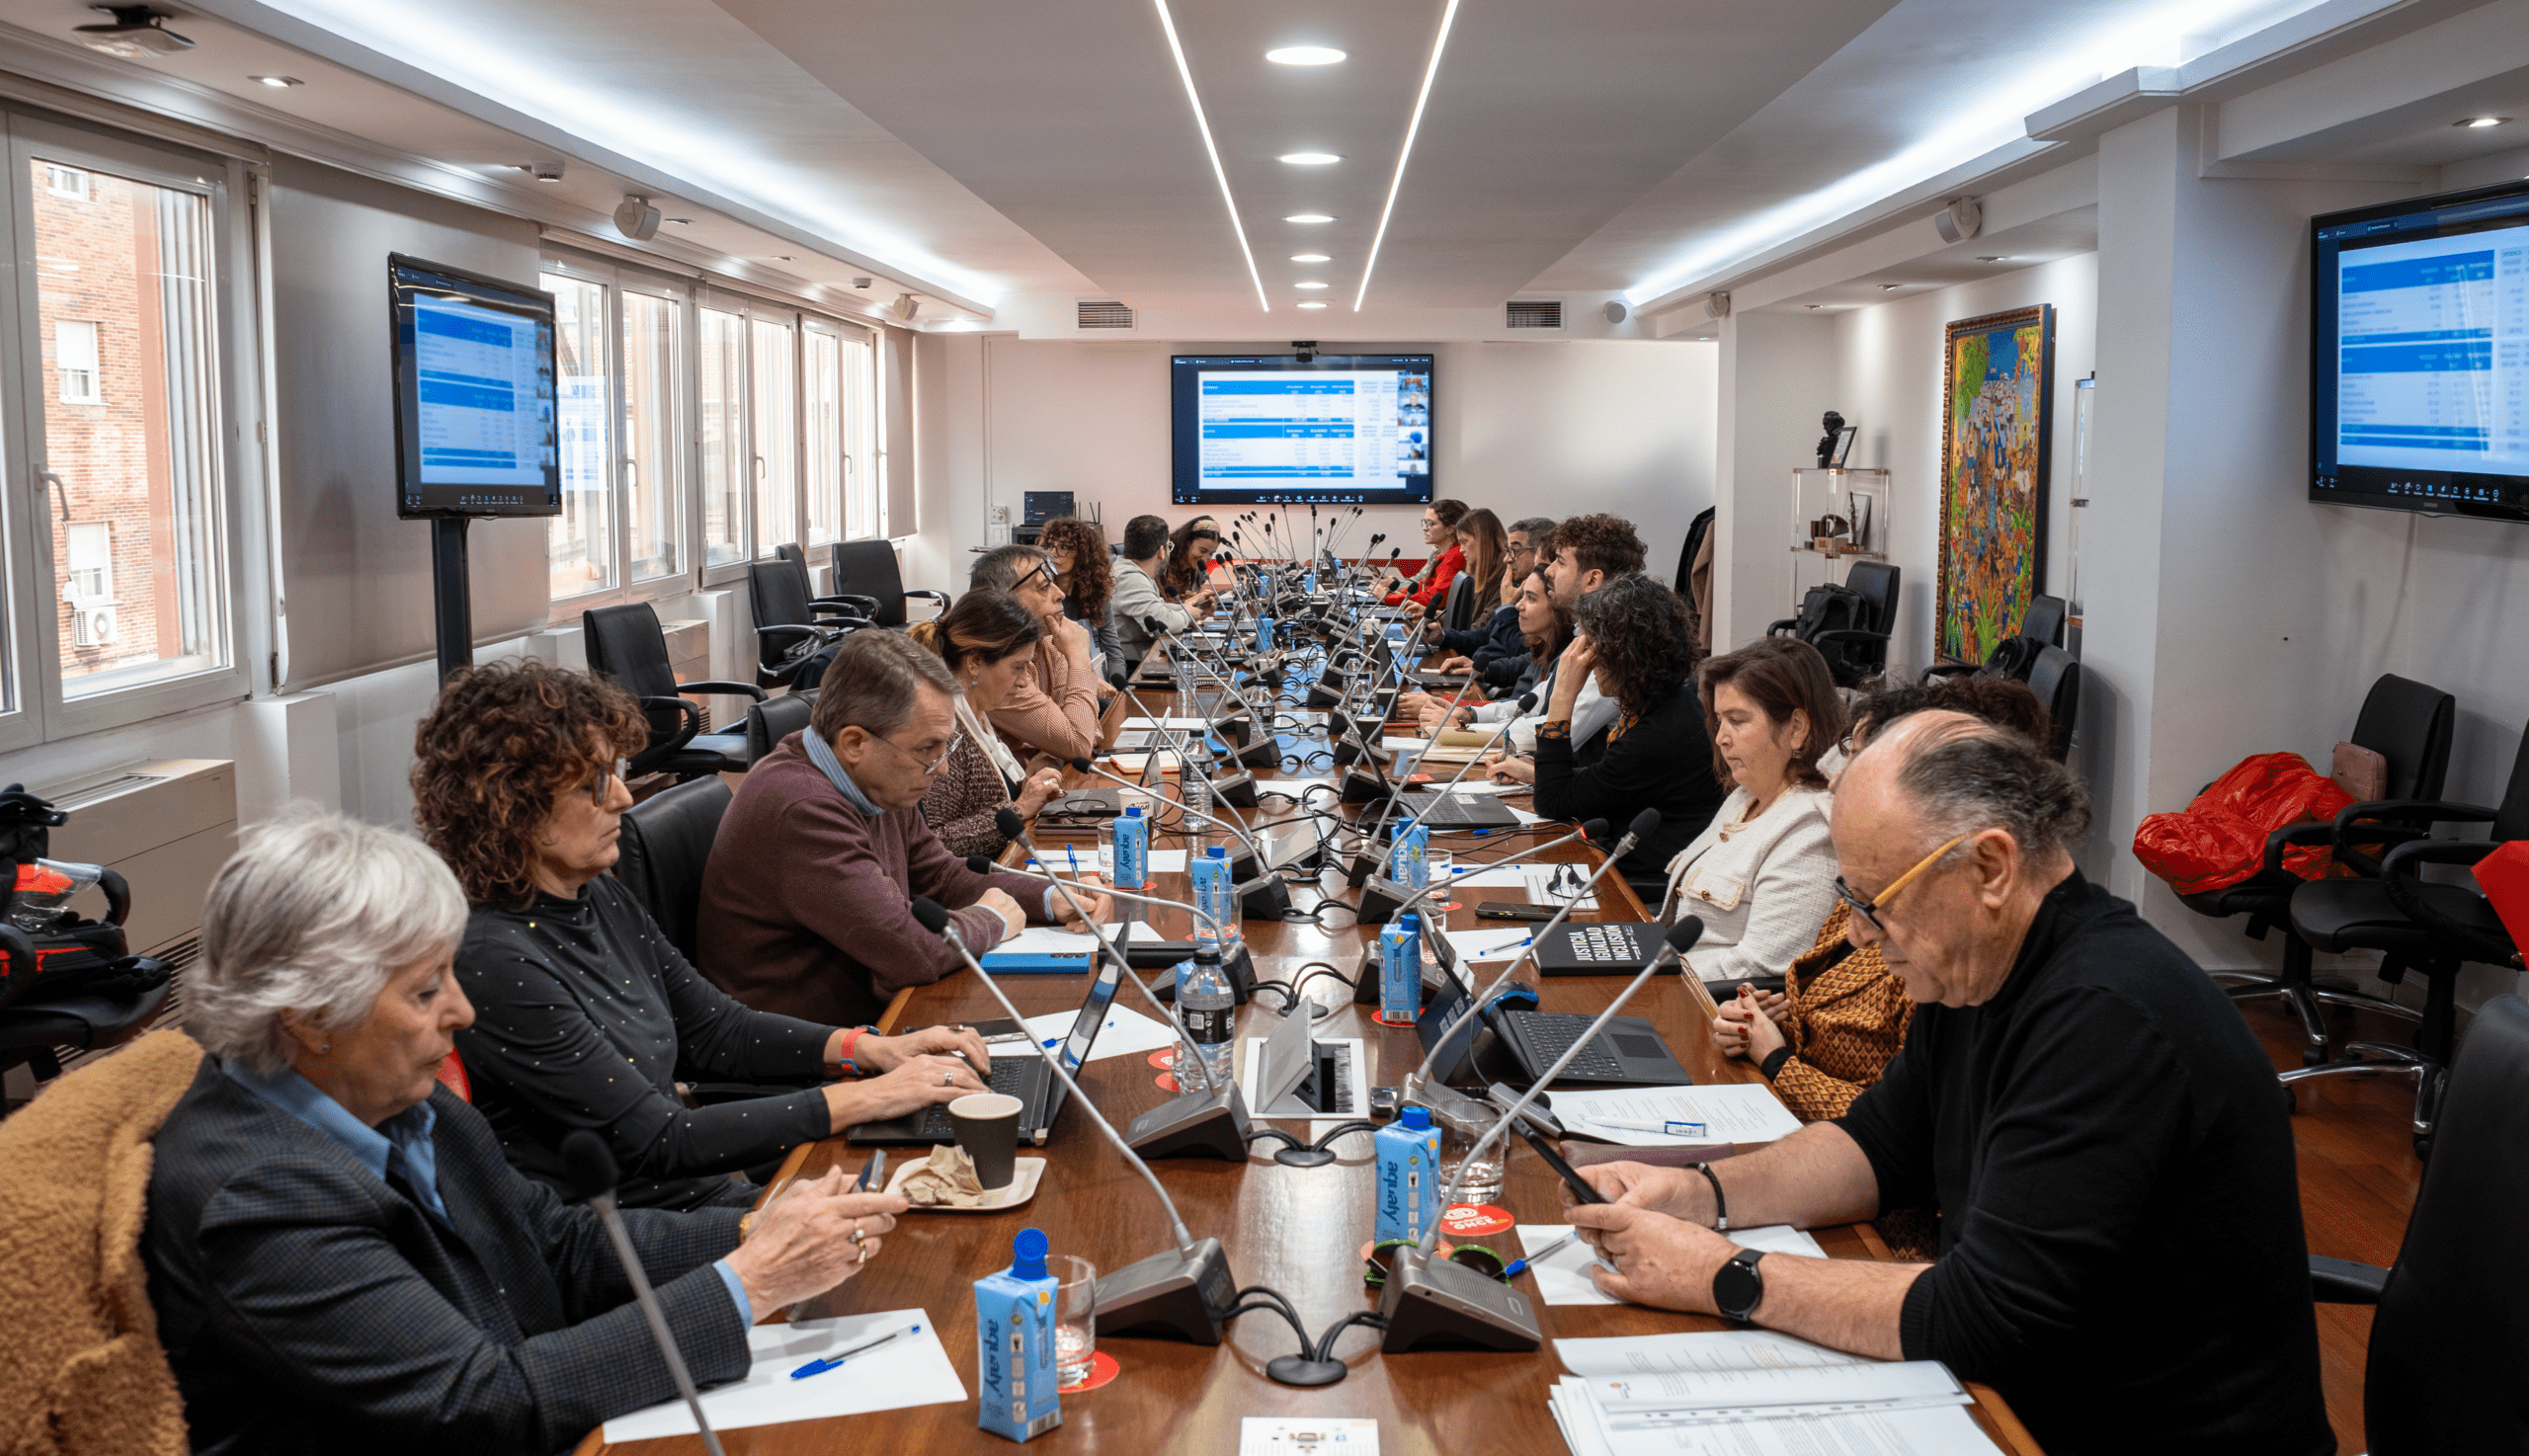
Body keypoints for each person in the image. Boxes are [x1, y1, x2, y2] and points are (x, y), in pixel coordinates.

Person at [1561, 715, 2332, 1456]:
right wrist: (1696, 1194)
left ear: (1990, 868)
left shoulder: (2106, 1019)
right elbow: (1878, 1147)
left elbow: (1986, 1318)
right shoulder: (1972, 967)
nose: (1859, 934)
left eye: (1875, 903)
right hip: (2024, 1401)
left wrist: (1718, 1275)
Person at [146, 810, 902, 1453]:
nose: (462, 1013)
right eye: (425, 989)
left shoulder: (388, 1096)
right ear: (310, 1015)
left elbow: (556, 1242)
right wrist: (751, 1282)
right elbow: (480, 1402)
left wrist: (752, 1231)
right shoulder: (259, 1197)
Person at [412, 660, 992, 1211]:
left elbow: (715, 1029)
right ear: (516, 807)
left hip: (698, 1195)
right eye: (595, 783)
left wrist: (870, 1049)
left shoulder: (593, 892)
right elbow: (660, 1139)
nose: (620, 796)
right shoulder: (495, 960)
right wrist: (874, 1094)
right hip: (631, 1235)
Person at [698, 630, 1111, 1027]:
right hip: (821, 1049)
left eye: (943, 746)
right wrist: (991, 918)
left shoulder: (876, 779)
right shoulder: (802, 809)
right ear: (854, 742)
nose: (942, 766)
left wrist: (1049, 894)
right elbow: (910, 949)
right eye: (928, 749)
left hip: (876, 1012)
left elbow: (938, 875)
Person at [1710, 676, 2057, 1133]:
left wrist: (1774, 1058)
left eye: (1858, 761)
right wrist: (1774, 1021)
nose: (1835, 779)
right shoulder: (1875, 874)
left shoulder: (1948, 960)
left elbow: (1904, 1132)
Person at [1659, 637, 1843, 986]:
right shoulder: (1746, 795)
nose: (1721, 738)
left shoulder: (1812, 829)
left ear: (1797, 729)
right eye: (1719, 720)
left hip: (1702, 1005)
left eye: (1738, 720)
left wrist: (1648, 979)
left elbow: (1763, 966)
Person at [1531, 571, 1726, 891]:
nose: (1590, 664)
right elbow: (1610, 780)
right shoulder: (1666, 699)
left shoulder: (1659, 733)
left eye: (1596, 650)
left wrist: (1563, 695)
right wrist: (1534, 772)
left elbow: (1552, 801)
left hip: (1637, 889)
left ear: (1626, 654)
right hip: (1618, 866)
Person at [911, 590, 1069, 857]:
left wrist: (1032, 787)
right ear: (975, 662)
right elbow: (934, 843)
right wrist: (1018, 809)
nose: (1023, 681)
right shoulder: (945, 731)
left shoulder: (977, 713)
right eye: (1017, 667)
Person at [968, 543, 1100, 763]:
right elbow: (1079, 745)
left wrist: (1050, 753)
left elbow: (1089, 731)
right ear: (1004, 600)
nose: (1060, 595)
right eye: (1044, 588)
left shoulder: (1048, 641)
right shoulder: (995, 663)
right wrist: (1079, 658)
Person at [1111, 513, 1214, 673]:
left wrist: (1192, 606)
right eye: (1168, 547)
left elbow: (1159, 607)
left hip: (1144, 658)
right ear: (1161, 551)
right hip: (1132, 665)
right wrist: (1188, 614)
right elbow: (1160, 622)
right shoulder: (1130, 578)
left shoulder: (1136, 573)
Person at [1422, 508, 1514, 681]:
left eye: (1464, 542)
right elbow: (1467, 618)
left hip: (1480, 664)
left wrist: (1445, 636)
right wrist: (1439, 624)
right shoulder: (1480, 572)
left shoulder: (1505, 579)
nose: (1461, 549)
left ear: (1482, 541)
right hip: (1470, 655)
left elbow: (1482, 631)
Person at [1039, 514, 1121, 675]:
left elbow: (1114, 654)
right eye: (1049, 545)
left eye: (1063, 547)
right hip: (1062, 686)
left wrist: (1119, 689)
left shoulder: (1096, 596)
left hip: (1099, 687)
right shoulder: (1041, 597)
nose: (1053, 553)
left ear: (1083, 555)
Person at [1382, 498, 1468, 609]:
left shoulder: (1455, 556)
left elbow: (1433, 598)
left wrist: (1388, 598)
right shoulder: (1443, 554)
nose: (1424, 528)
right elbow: (1423, 585)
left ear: (1450, 529)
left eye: (1430, 523)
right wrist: (1398, 594)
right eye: (1424, 522)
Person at [1157, 517, 1224, 601]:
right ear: (1187, 542)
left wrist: (1192, 597)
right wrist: (1189, 601)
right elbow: (1157, 605)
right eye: (1202, 551)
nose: (1205, 558)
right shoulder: (1162, 561)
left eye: (1211, 554)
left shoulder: (1196, 565)